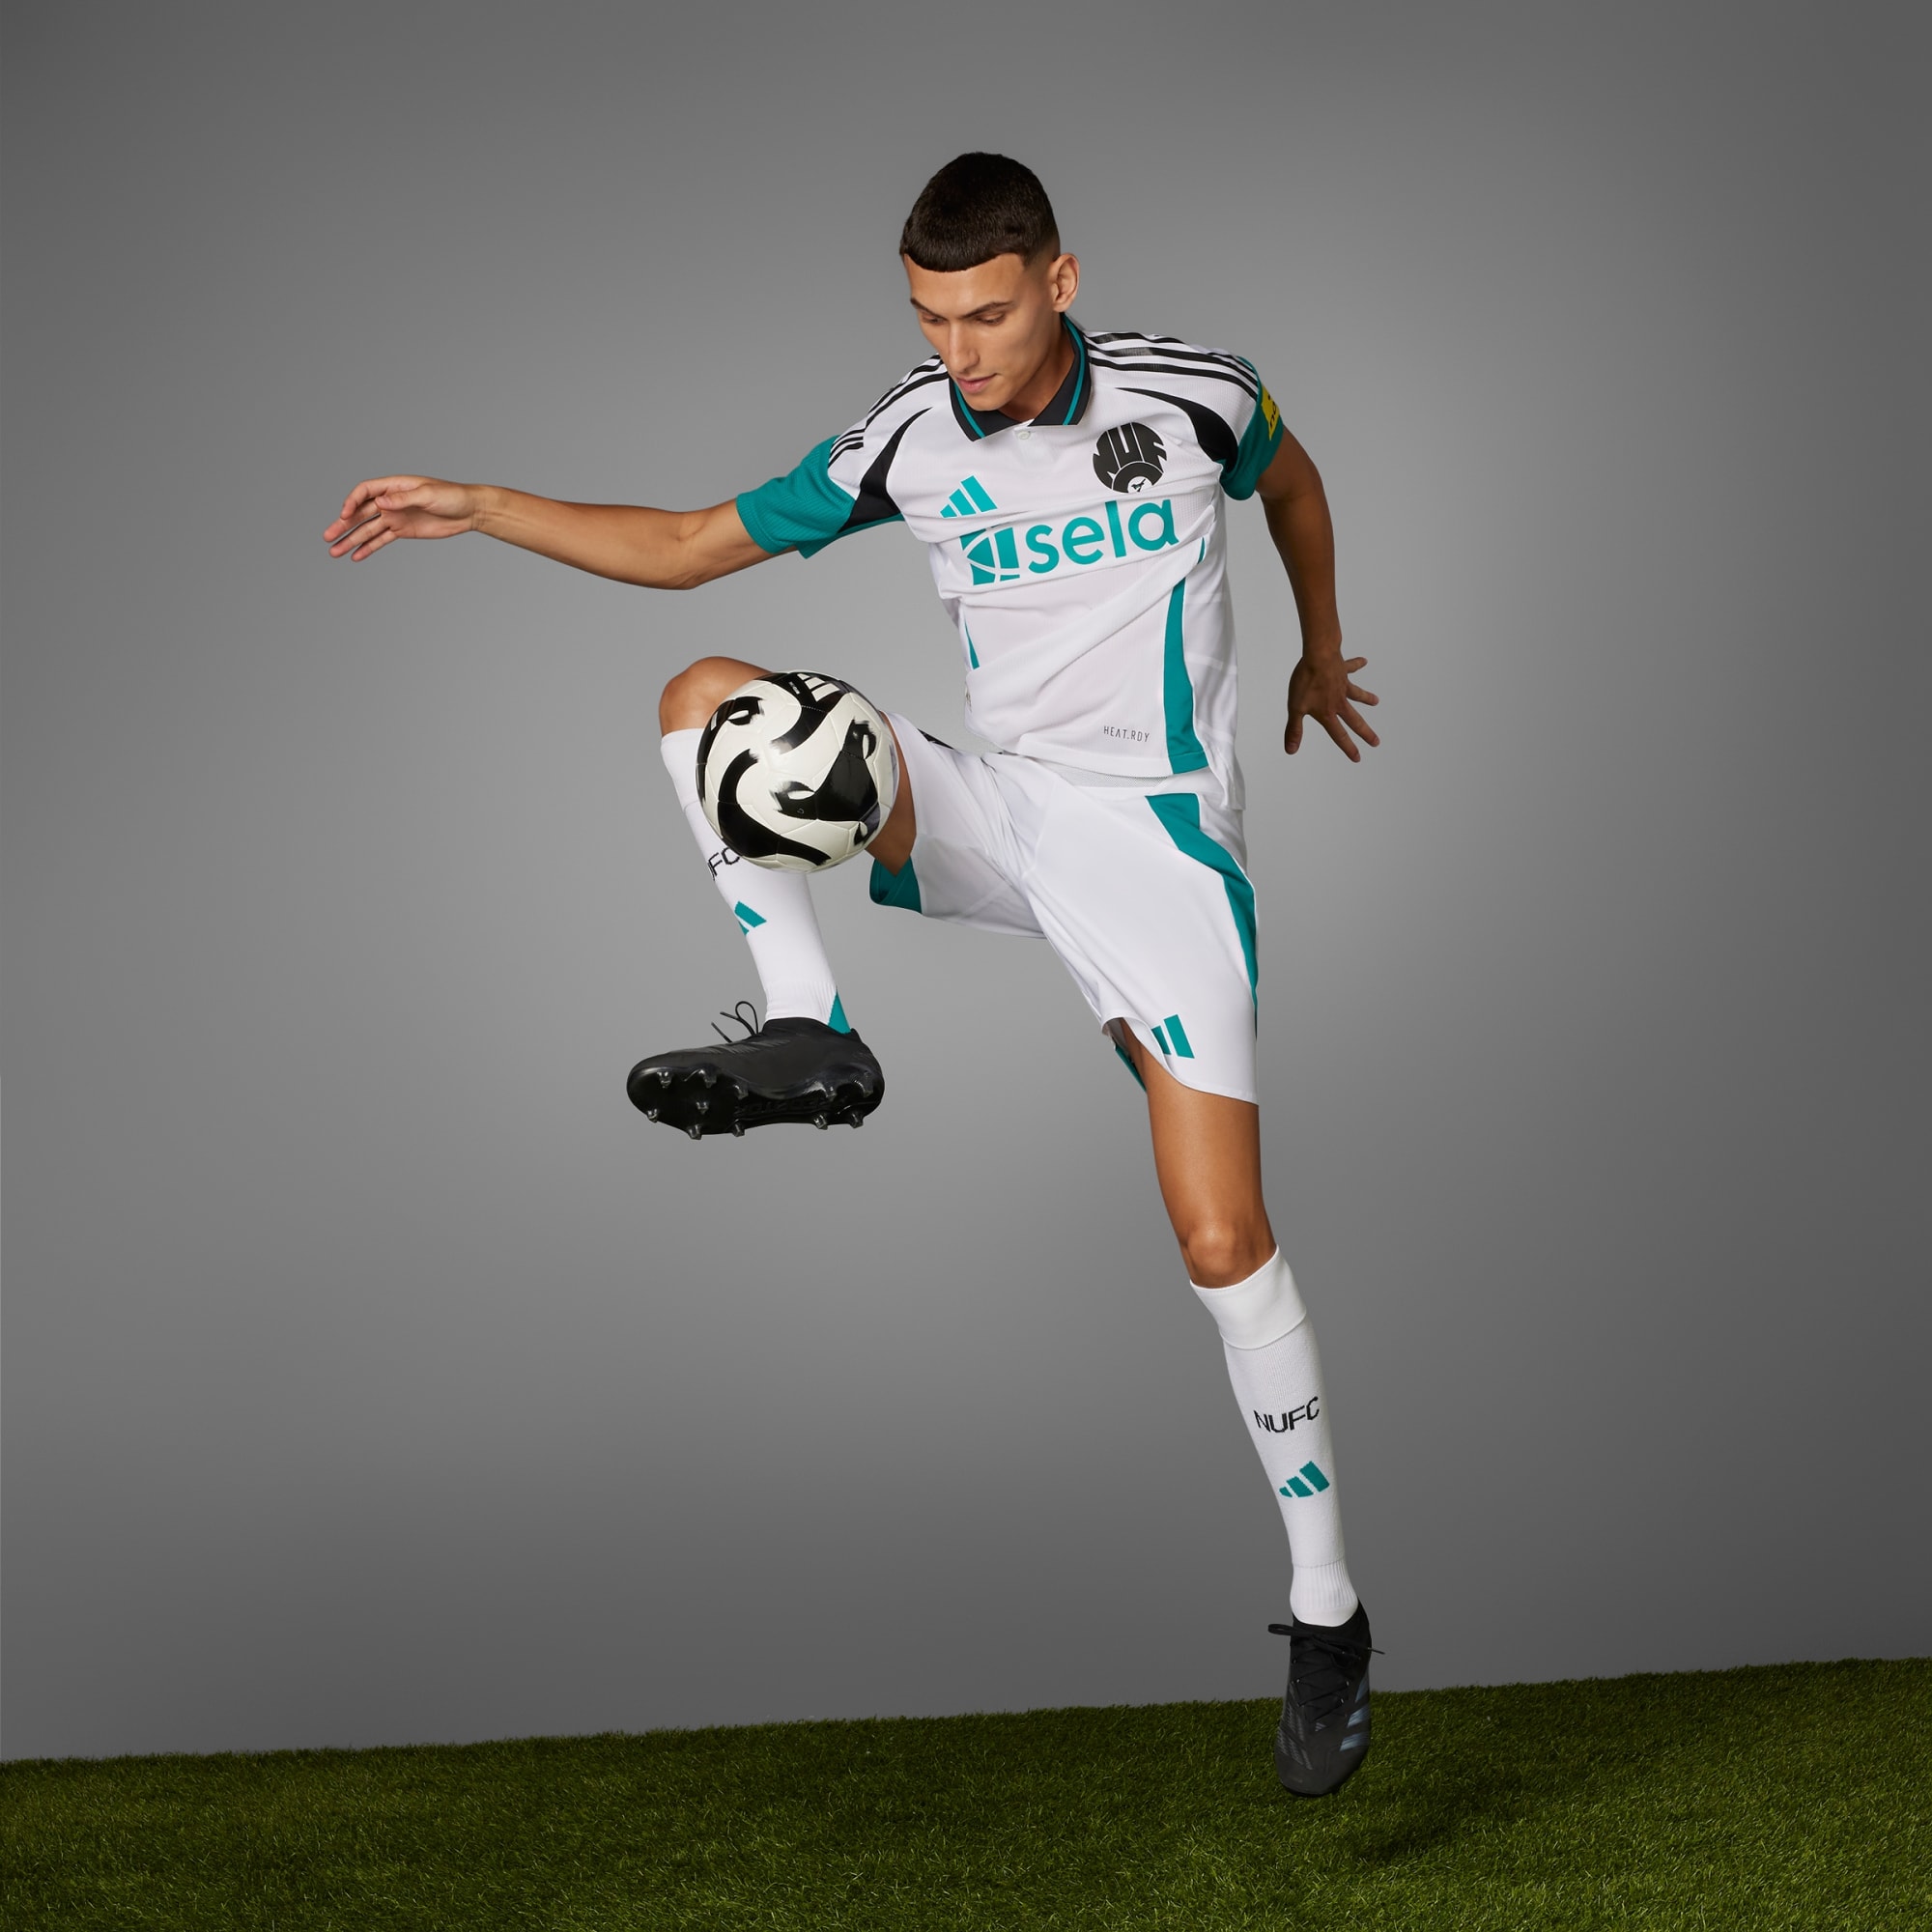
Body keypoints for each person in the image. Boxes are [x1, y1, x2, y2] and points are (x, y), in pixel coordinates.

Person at [324, 153, 1381, 1797]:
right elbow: (693, 542)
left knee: (1221, 1237)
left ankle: (1328, 1614)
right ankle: (812, 1027)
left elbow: (1297, 484)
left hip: (1156, 842)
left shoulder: (1196, 398)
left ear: (1061, 282)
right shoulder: (909, 433)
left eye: (988, 314)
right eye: (930, 319)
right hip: (991, 803)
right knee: (706, 697)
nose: (959, 350)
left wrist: (1317, 644)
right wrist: (482, 507)